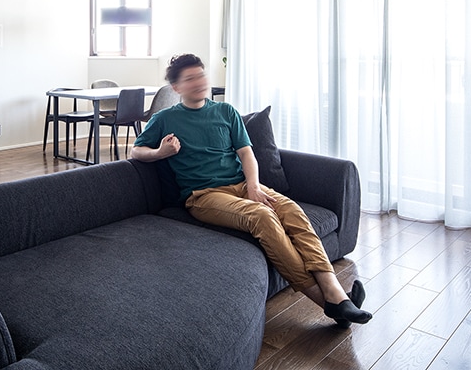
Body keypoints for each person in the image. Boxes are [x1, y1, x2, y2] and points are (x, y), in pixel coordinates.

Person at [131, 53, 372, 326]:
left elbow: (246, 154)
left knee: (291, 210)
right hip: (204, 196)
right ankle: (327, 301)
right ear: (176, 87)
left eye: (201, 75)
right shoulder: (165, 118)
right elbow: (137, 151)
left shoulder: (226, 112)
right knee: (262, 216)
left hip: (243, 185)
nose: (199, 82)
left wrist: (254, 187)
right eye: (190, 79)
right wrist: (161, 152)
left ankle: (335, 293)